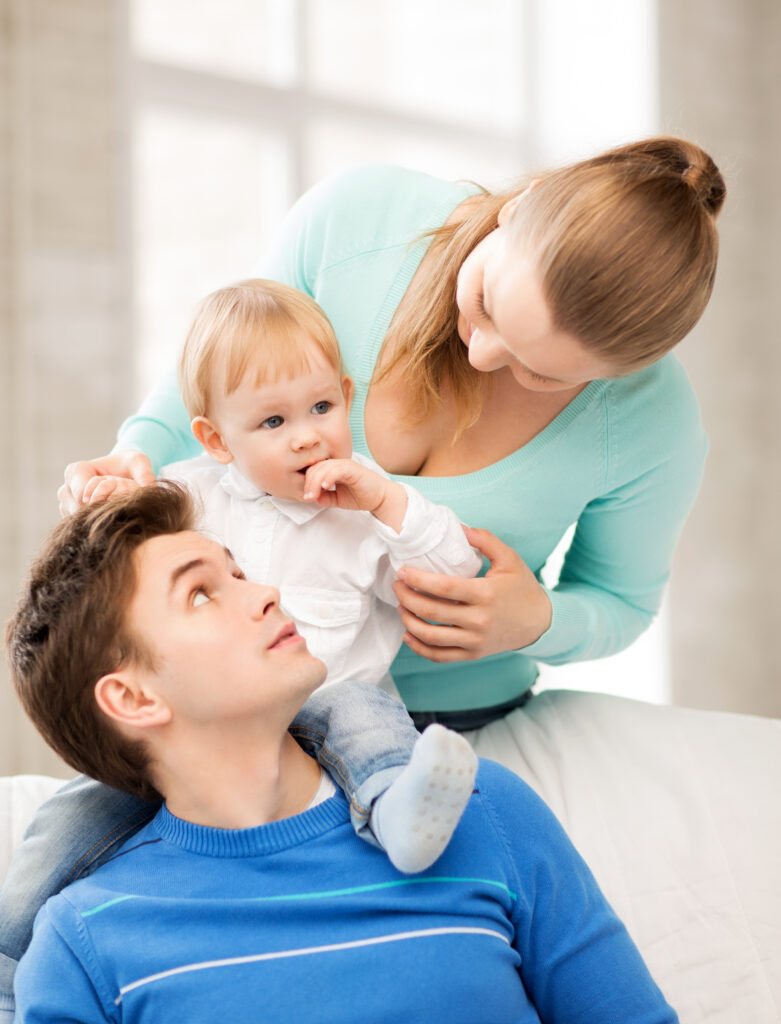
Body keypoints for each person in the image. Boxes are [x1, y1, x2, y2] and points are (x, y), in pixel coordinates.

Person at [58, 136, 725, 734]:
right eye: (486, 303)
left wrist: (537, 621)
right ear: (522, 204)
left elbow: (620, 603)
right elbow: (226, 372)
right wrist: (135, 452)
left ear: (621, 372)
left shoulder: (650, 422)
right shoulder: (356, 223)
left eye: (540, 373)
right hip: (236, 697)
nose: (483, 354)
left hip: (451, 720)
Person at [6, 484, 678, 1022]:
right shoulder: (83, 940)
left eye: (238, 571)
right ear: (132, 698)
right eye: (201, 593)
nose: (265, 591)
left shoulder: (479, 810)